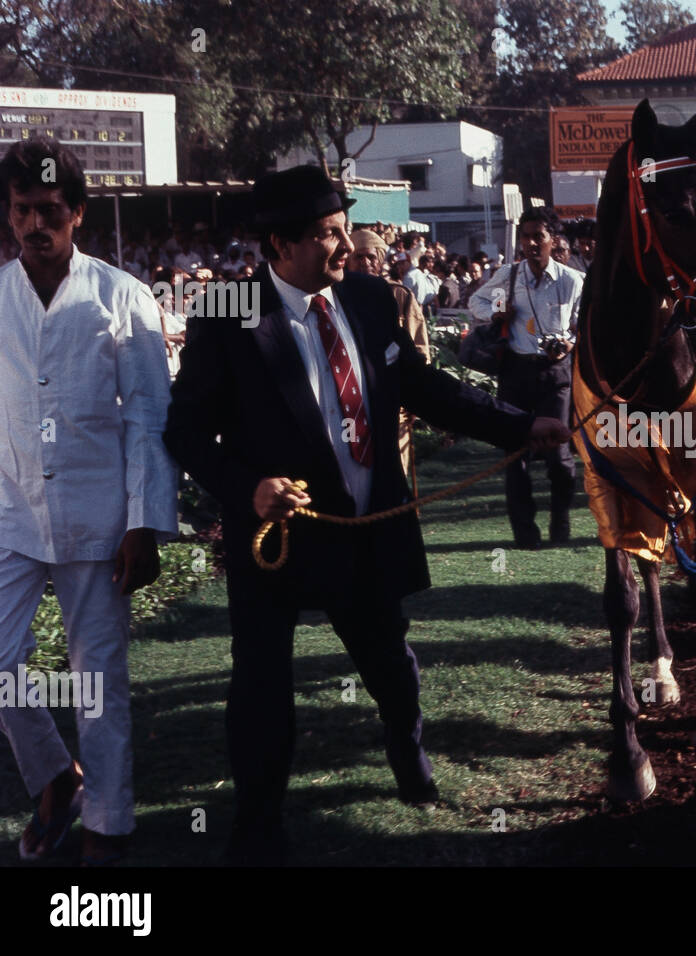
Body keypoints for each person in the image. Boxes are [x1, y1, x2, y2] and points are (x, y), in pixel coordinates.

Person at [163, 165, 568, 863]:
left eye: (343, 226)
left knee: (389, 664)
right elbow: (185, 431)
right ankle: (258, 826)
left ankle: (406, 748)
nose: (345, 243)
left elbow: (425, 386)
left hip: (366, 526)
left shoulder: (371, 297)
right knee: (259, 683)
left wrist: (518, 424)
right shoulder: (225, 309)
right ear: (278, 246)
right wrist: (247, 486)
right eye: (326, 233)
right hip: (278, 537)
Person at [0, 138, 177, 864]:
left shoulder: (122, 296)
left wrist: (144, 523)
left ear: (77, 213)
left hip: (100, 517)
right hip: (10, 511)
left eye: (48, 211)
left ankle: (107, 829)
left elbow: (146, 417)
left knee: (96, 683)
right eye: (20, 211)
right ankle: (52, 776)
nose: (34, 224)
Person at [468, 206, 582, 549]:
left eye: (539, 236)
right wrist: (496, 312)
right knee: (514, 456)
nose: (531, 243)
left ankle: (560, 519)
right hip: (516, 373)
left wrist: (568, 343)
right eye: (526, 236)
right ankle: (524, 532)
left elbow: (582, 322)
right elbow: (475, 302)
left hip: (555, 375)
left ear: (554, 240)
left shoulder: (572, 280)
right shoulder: (509, 276)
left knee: (560, 456)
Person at [347, 228, 430, 483]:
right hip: (352, 403)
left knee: (397, 473)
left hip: (395, 399)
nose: (366, 263)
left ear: (381, 259)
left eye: (371, 257)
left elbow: (419, 348)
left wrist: (416, 395)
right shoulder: (338, 294)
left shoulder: (400, 295)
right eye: (358, 257)